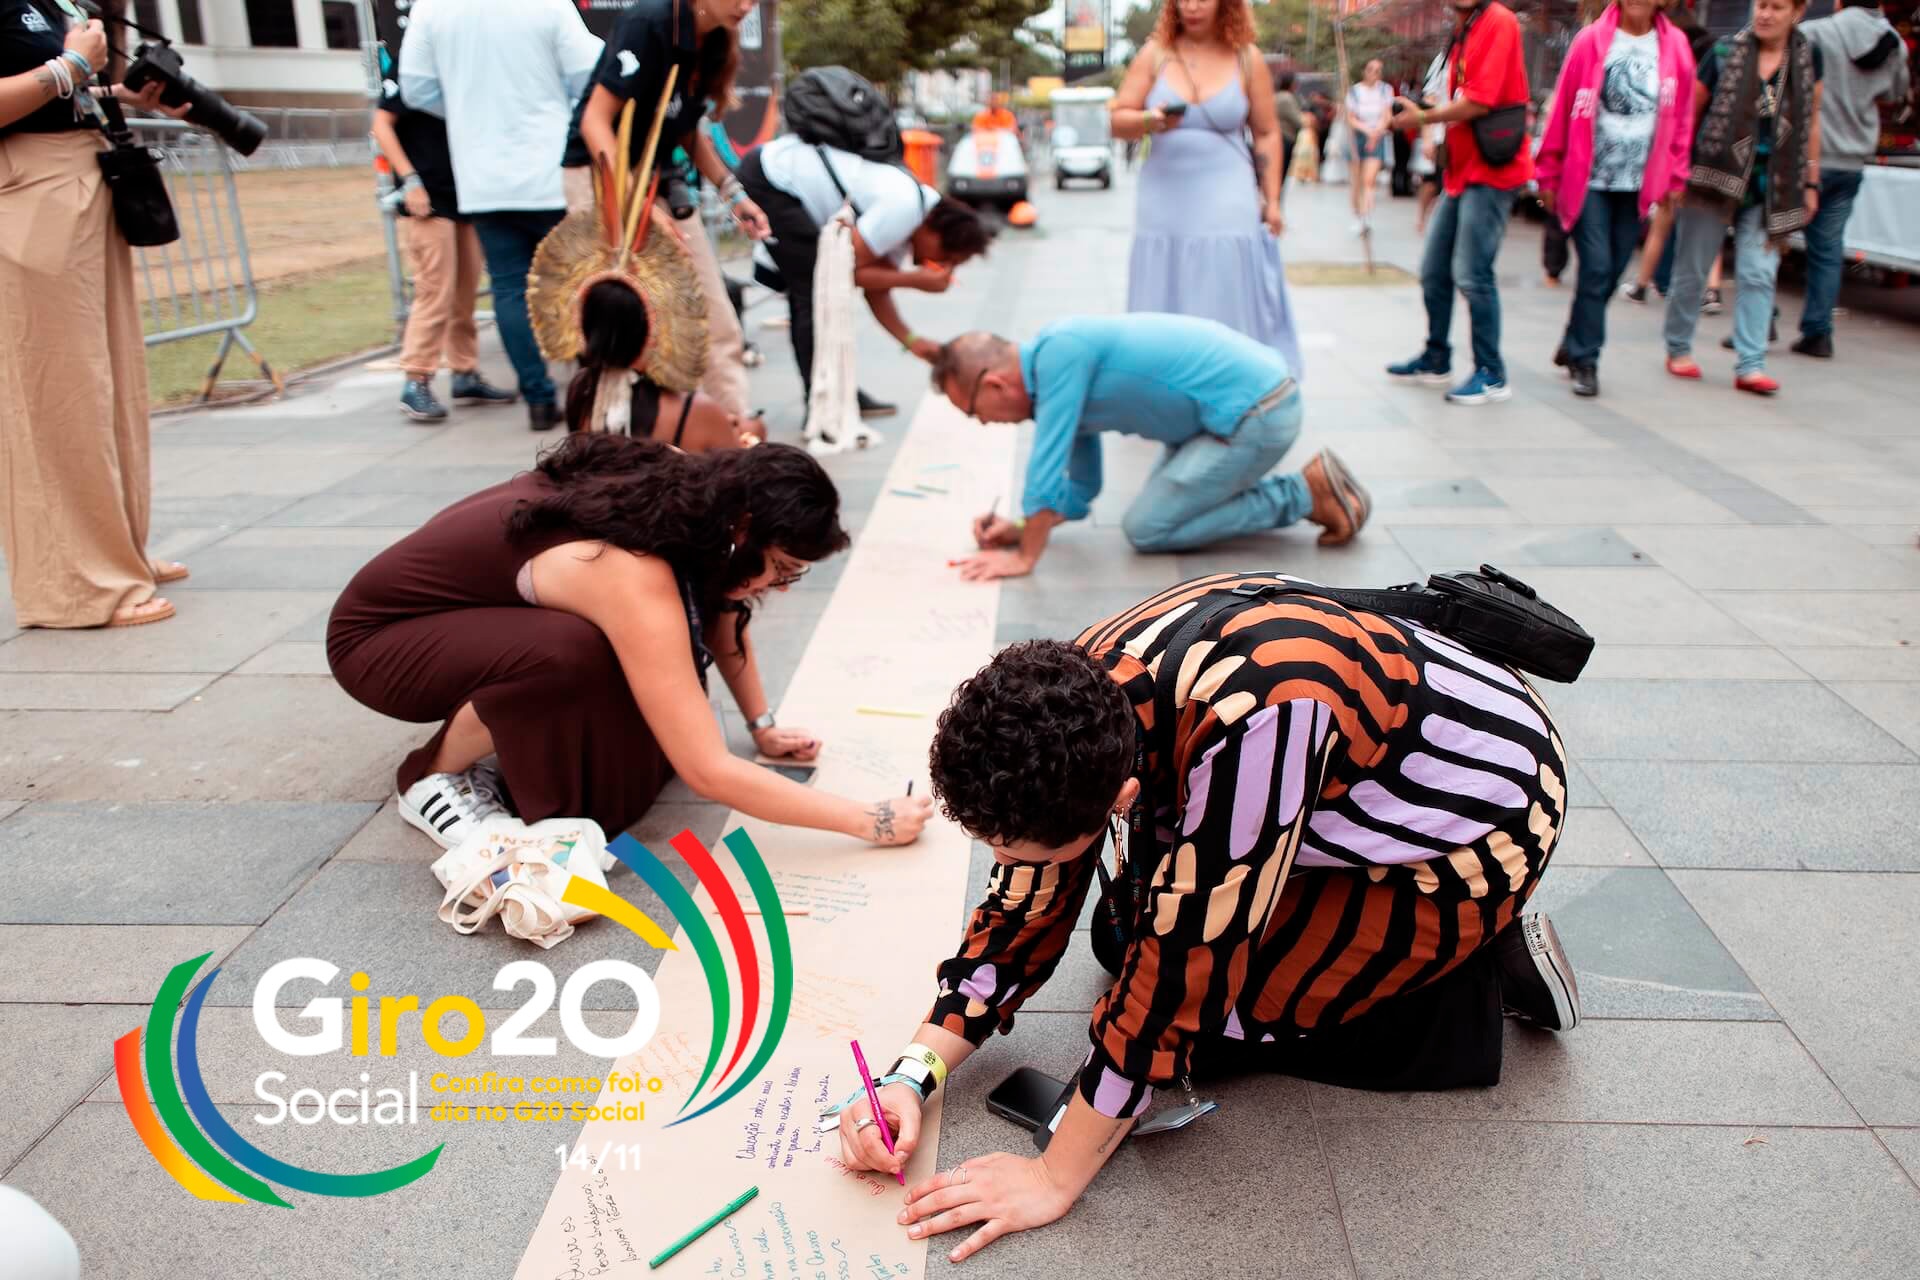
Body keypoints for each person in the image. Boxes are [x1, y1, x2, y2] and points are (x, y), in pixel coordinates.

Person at [832, 575, 1580, 1260]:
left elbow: (1187, 963)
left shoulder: (1260, 727)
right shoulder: (1075, 694)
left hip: (1479, 826)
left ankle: (1466, 987)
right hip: (1345, 772)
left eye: (1027, 849)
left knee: (1213, 1026)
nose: (1011, 864)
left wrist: (1055, 1174)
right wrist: (913, 1074)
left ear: (1120, 799)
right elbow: (1023, 906)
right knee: (1122, 936)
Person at [328, 433, 932, 849]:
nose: (782, 586)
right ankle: (432, 776)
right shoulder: (629, 573)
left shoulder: (694, 491)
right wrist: (869, 820)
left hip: (457, 618)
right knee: (571, 652)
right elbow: (707, 769)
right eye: (781, 567)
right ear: (743, 530)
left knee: (634, 679)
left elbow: (721, 606)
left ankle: (502, 736)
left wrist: (762, 722)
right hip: (379, 644)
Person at [1, 3, 190, 628]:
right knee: (58, 395)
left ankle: (117, 551)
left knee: (109, 388)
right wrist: (73, 63)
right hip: (28, 194)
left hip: (79, 178)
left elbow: (53, 89)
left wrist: (119, 92)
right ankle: (78, 584)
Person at [930, 318, 1370, 583]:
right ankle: (1304, 492)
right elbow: (1082, 490)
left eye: (975, 412)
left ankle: (1306, 494)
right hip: (1227, 417)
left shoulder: (1060, 354)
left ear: (995, 384)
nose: (984, 422)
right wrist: (1021, 527)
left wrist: (1025, 556)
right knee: (1165, 515)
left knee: (1147, 528)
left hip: (1257, 411)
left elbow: (1043, 475)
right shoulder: (1059, 367)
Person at [399, 0, 602, 433]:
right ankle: (591, 393)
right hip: (551, 170)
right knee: (576, 284)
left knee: (510, 289)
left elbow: (417, 89)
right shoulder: (548, 5)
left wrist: (467, 109)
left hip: (482, 176)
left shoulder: (433, 9)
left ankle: (539, 399)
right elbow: (588, 73)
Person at [559, 0, 765, 423]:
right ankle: (607, 436)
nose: (747, 6)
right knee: (623, 328)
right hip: (602, 175)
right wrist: (641, 206)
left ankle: (733, 431)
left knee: (713, 317)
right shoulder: (649, 22)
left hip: (658, 177)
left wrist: (734, 194)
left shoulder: (715, 38)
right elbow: (595, 122)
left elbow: (686, 131)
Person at [736, 131, 993, 420]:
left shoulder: (915, 212)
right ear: (937, 233)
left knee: (814, 289)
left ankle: (833, 395)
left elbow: (876, 288)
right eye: (947, 258)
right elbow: (843, 271)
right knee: (814, 290)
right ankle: (824, 404)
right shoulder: (905, 208)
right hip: (772, 177)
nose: (939, 265)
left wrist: (913, 341)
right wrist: (914, 280)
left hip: (778, 173)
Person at [1112, 0, 1301, 376]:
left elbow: (1266, 134)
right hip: (1164, 194)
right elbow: (1118, 120)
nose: (1192, 6)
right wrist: (1150, 120)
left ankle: (1228, 377)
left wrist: (1273, 200)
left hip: (1227, 189)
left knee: (1223, 278)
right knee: (1165, 284)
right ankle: (1162, 382)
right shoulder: (1155, 55)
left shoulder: (1247, 58)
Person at [1536, 0, 1696, 398]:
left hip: (1638, 183)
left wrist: (1676, 176)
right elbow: (1563, 109)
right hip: (1588, 179)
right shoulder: (1590, 42)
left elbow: (1682, 119)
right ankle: (1586, 360)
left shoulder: (1675, 46)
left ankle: (1575, 336)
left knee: (1613, 269)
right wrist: (1548, 170)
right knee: (1596, 267)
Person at [1662, 0, 1822, 395]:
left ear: (1797, 13)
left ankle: (1751, 363)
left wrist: (1811, 182)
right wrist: (1676, 169)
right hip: (1712, 176)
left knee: (1758, 272)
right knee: (1693, 269)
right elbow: (1690, 112)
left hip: (1773, 183)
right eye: (1761, 5)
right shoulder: (1722, 53)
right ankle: (1678, 345)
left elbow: (1813, 119)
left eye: (1777, 7)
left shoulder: (1807, 58)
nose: (1765, 14)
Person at [1385, 0, 1535, 406]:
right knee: (1434, 269)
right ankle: (1437, 357)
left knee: (1472, 274)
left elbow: (1479, 102)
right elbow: (1463, 96)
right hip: (1462, 172)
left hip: (1492, 172)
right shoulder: (1465, 27)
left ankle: (1492, 373)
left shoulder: (1498, 21)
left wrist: (1420, 120)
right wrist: (1423, 113)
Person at [371, 62, 517, 423]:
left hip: (465, 197)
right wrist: (410, 180)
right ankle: (415, 379)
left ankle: (465, 372)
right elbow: (381, 124)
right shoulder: (413, 67)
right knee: (434, 290)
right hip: (427, 199)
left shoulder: (466, 64)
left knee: (465, 291)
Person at [1793, 0, 1910, 358]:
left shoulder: (1816, 32)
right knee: (1828, 250)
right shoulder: (1895, 43)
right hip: (1851, 159)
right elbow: (1894, 94)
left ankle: (1761, 318)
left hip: (1809, 156)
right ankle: (1819, 331)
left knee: (1773, 236)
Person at [1346, 58, 1395, 233]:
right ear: (1364, 71)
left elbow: (1387, 115)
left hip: (1377, 136)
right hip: (1358, 136)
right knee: (1356, 181)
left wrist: (1376, 133)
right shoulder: (1354, 92)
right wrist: (1367, 131)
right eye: (1371, 69)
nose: (1374, 73)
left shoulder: (1385, 90)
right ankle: (1357, 215)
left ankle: (1366, 216)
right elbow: (1350, 118)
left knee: (1369, 180)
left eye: (1378, 70)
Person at [1273, 68, 1304, 182]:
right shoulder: (1287, 98)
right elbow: (1298, 121)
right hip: (1285, 137)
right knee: (1282, 171)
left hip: (1277, 137)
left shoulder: (1276, 96)